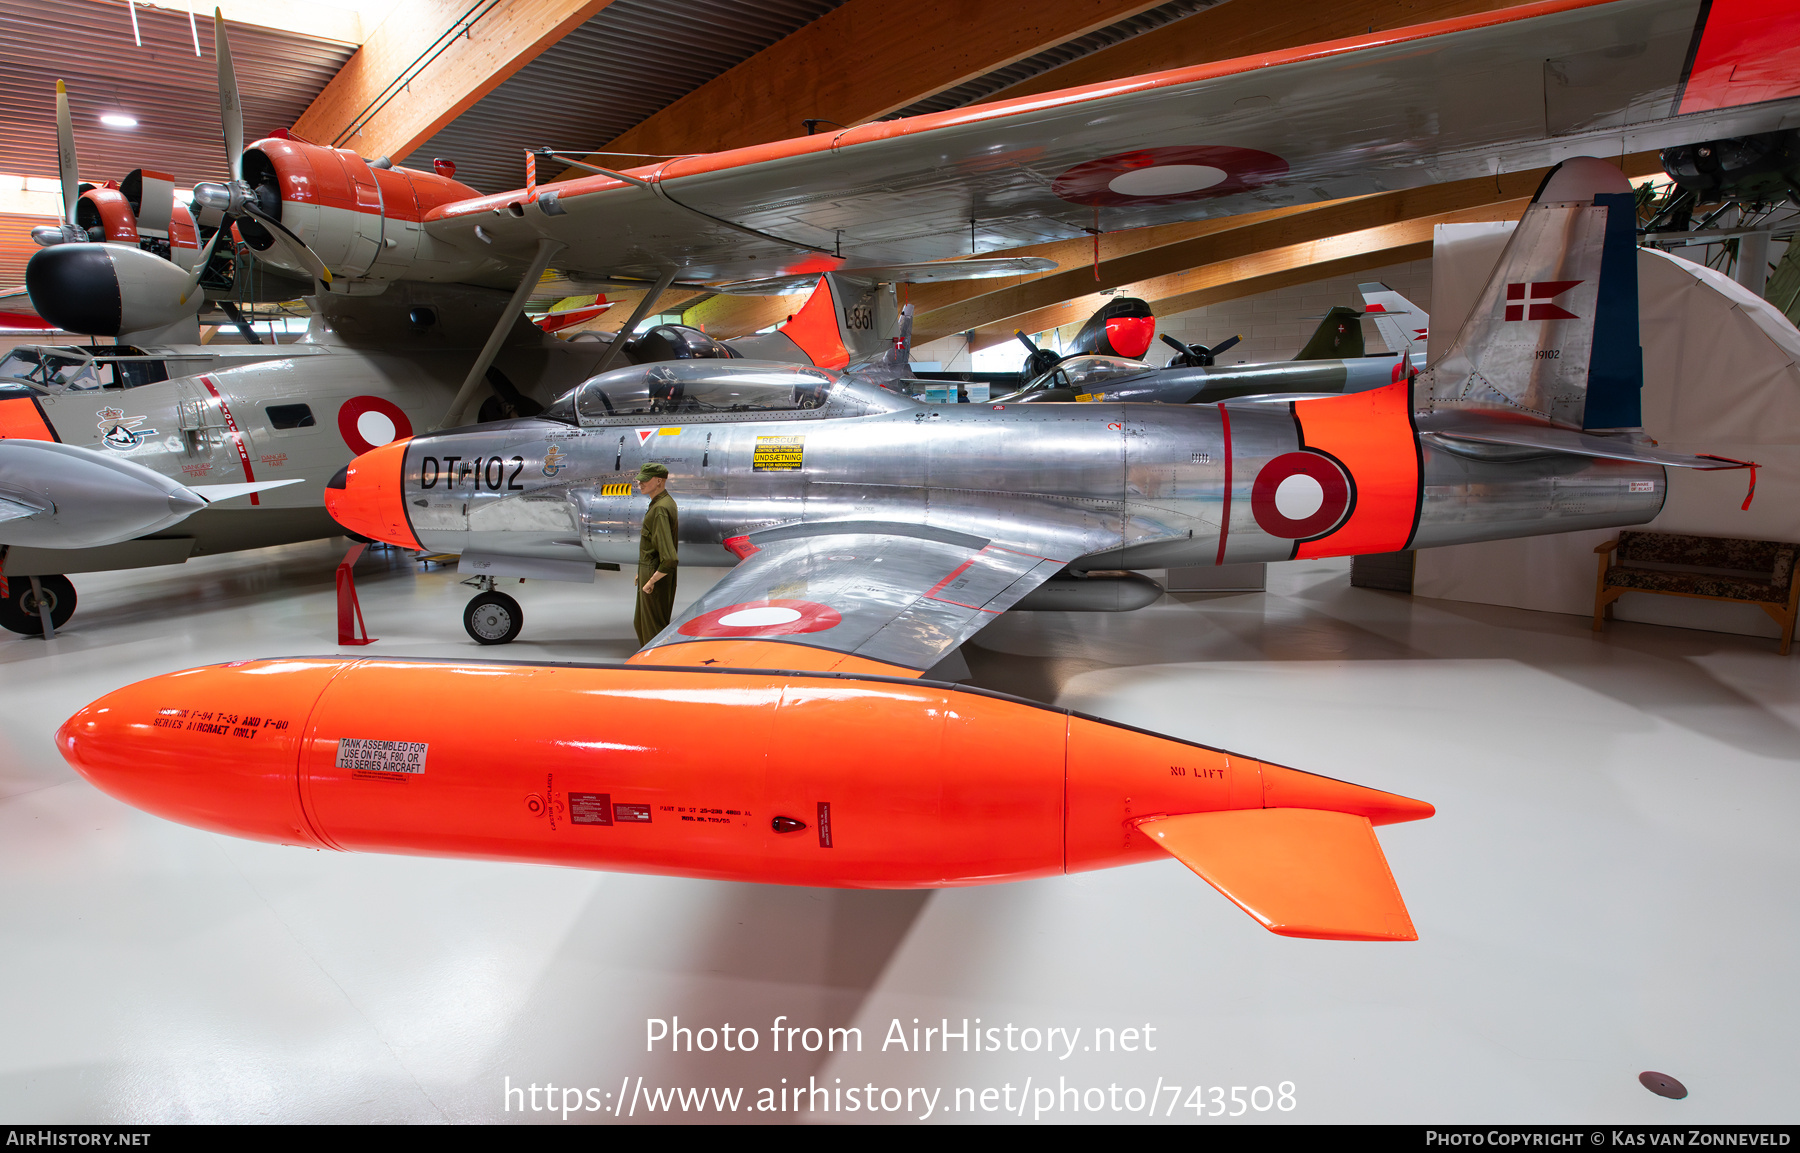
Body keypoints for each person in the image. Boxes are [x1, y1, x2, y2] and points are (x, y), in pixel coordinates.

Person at [634, 462, 678, 645]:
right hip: (650, 570)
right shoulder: (661, 504)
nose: (640, 484)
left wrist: (651, 580)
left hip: (655, 574)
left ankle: (655, 669)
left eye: (645, 480)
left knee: (653, 630)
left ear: (659, 481)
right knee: (641, 623)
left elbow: (669, 558)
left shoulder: (660, 508)